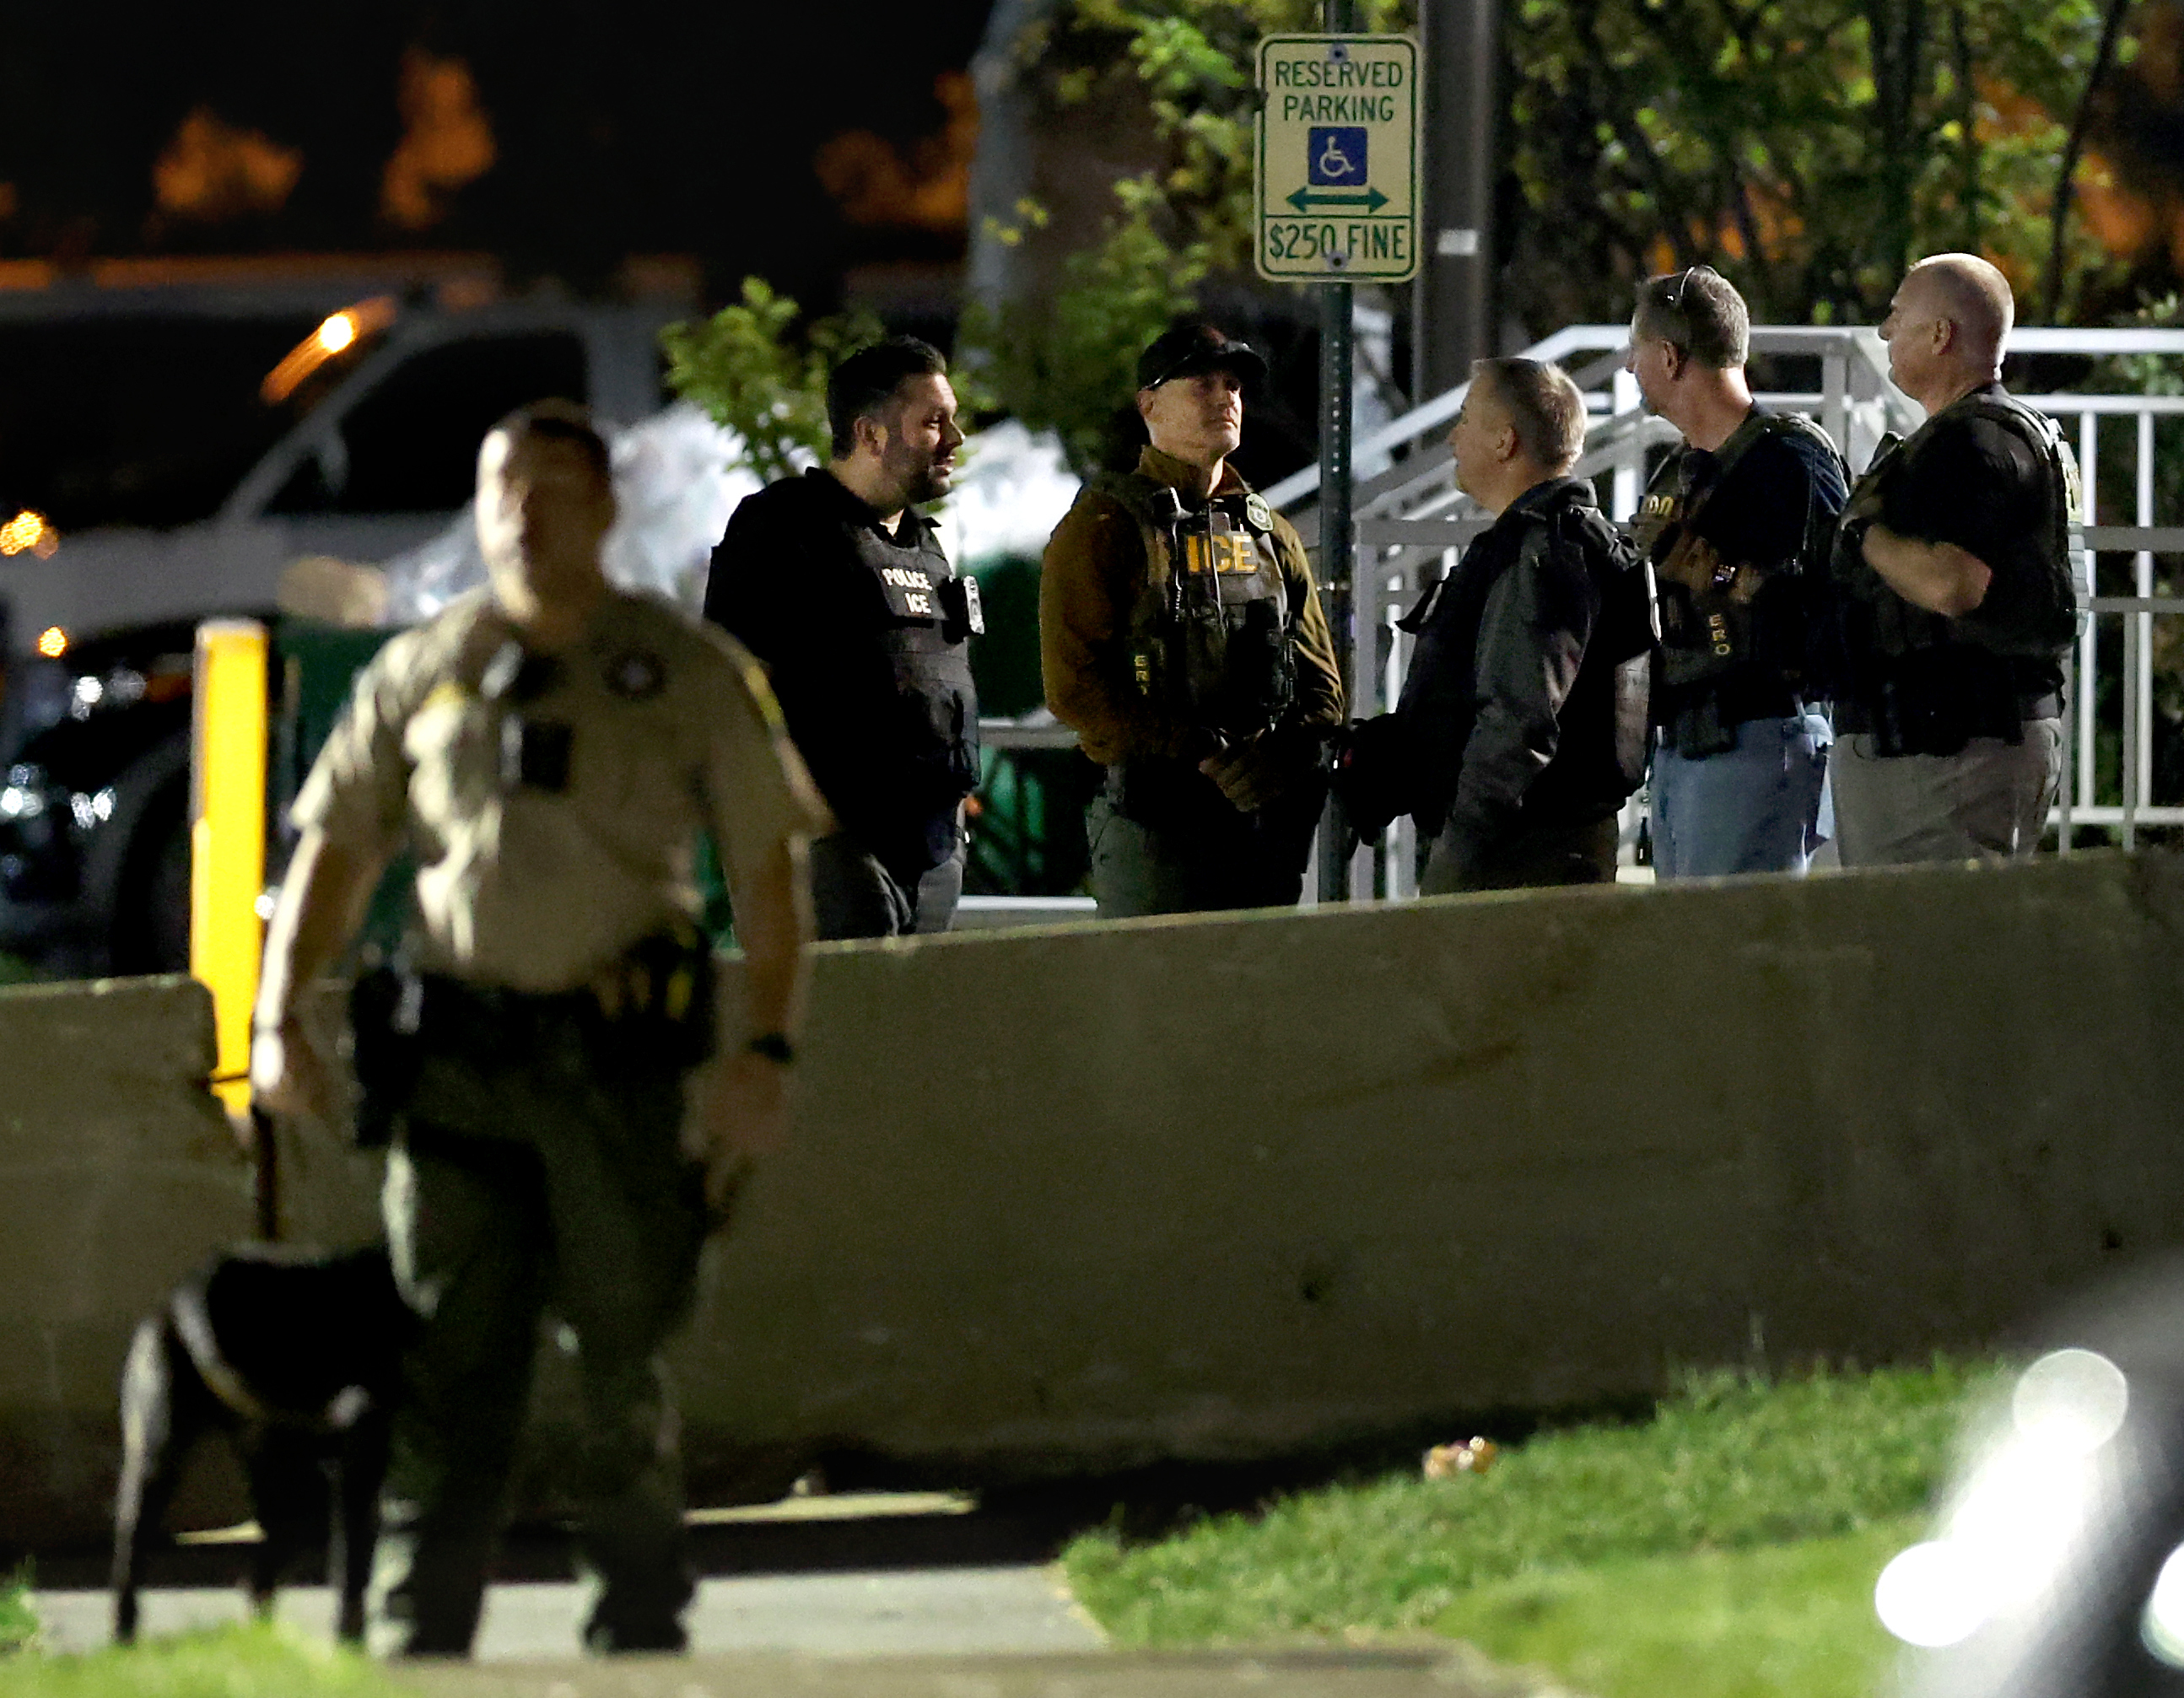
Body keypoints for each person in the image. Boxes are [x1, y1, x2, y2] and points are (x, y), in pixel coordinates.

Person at [251, 402, 825, 1658]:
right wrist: (277, 1011)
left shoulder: (682, 666)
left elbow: (768, 875)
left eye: (555, 485)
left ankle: (634, 1611)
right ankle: (423, 1625)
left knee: (622, 1360)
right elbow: (335, 854)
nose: (524, 509)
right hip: (454, 1068)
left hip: (614, 1071)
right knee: (444, 1361)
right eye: (502, 483)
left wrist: (765, 1050)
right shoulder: (422, 665)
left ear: (605, 508)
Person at [1040, 325, 1345, 916]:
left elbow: (1321, 686)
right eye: (1202, 383)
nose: (1225, 397)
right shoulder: (1103, 527)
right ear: (1148, 404)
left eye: (1233, 385)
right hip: (1156, 826)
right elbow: (1074, 687)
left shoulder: (1266, 532)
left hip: (1261, 830)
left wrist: (1273, 762)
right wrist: (1203, 751)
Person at [1335, 358, 1656, 892]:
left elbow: (1519, 719)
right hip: (1524, 846)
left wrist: (1459, 851)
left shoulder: (1543, 554)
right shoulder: (1544, 544)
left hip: (1515, 855)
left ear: (1505, 442)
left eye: (1464, 420)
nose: (1453, 437)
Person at [704, 337, 978, 939]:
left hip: (932, 855)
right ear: (871, 434)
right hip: (834, 855)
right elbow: (731, 692)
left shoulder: (922, 543)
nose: (955, 438)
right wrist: (816, 827)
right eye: (933, 422)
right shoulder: (783, 528)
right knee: (844, 1029)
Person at [1830, 253, 2078, 865]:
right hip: (1957, 747)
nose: (1884, 332)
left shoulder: (1969, 443)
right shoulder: (2001, 433)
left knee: (1930, 950)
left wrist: (1862, 532)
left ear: (1940, 334)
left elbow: (1952, 584)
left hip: (1948, 756)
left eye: (1896, 316)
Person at [1624, 265, 1847, 877]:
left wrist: (1705, 568)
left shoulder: (1789, 459)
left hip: (1755, 737)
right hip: (1686, 744)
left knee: (1739, 957)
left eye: (1635, 350)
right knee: (1696, 957)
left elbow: (1811, 607)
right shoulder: (1681, 469)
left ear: (1669, 357)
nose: (1628, 367)